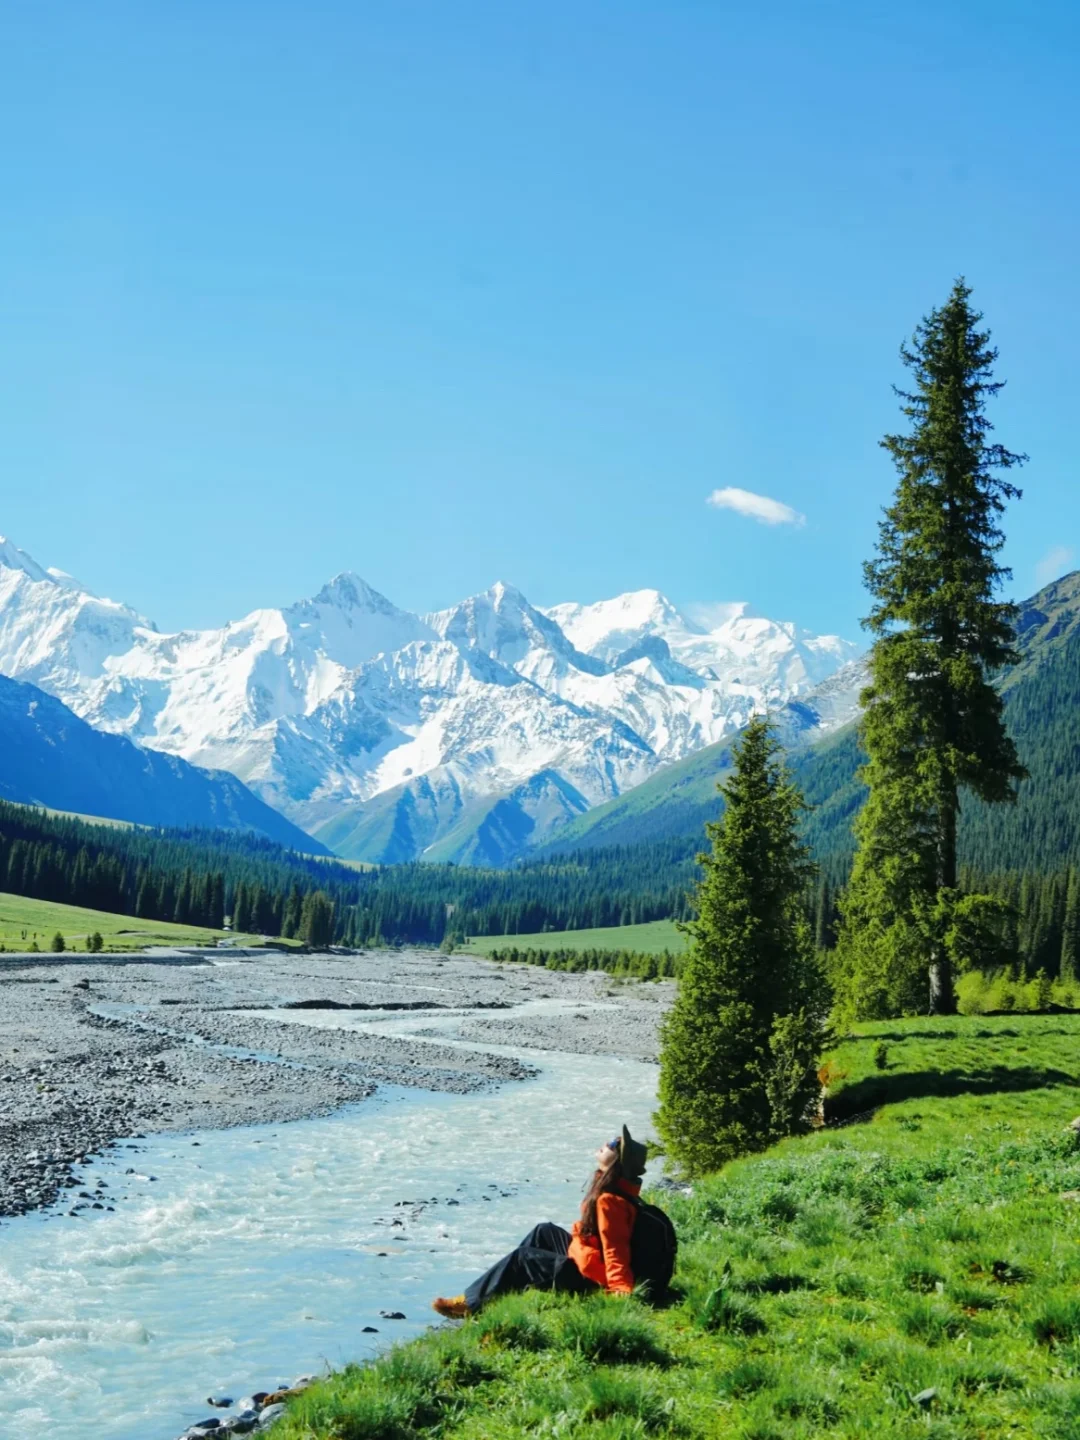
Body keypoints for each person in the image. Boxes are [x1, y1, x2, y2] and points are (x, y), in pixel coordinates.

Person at [432, 1124, 649, 1319]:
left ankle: (470, 1304)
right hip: (587, 1259)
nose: (606, 1143)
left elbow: (615, 1248)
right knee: (543, 1231)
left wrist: (620, 1289)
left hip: (589, 1280)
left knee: (522, 1258)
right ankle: (504, 1291)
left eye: (613, 1144)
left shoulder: (610, 1201)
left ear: (617, 1164)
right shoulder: (612, 1189)